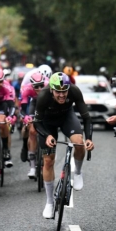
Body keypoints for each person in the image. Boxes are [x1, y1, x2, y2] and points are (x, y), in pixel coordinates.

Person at [33, 72, 94, 218]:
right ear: (51, 90)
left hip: (66, 117)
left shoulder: (74, 91)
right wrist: (47, 136)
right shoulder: (43, 96)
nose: (62, 95)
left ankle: (78, 172)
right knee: (48, 160)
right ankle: (49, 202)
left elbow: (86, 118)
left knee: (78, 143)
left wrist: (89, 138)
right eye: (58, 92)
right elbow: (37, 123)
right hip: (47, 124)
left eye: (64, 91)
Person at [20, 70, 49, 179]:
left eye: (41, 86)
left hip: (46, 104)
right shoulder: (27, 89)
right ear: (31, 85)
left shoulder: (48, 86)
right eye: (36, 87)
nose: (39, 89)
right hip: (34, 103)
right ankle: (32, 167)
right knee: (32, 130)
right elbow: (22, 108)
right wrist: (26, 117)